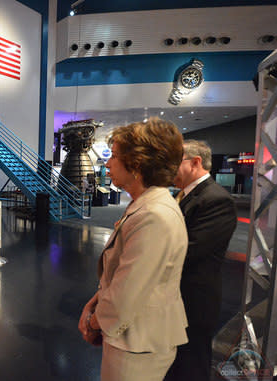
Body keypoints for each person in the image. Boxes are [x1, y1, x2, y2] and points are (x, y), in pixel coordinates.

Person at [78, 118, 189, 381]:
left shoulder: (153, 216)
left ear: (136, 164)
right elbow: (121, 276)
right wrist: (92, 304)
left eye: (114, 157)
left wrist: (93, 325)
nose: (107, 164)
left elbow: (125, 294)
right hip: (132, 338)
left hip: (137, 344)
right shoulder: (147, 206)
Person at [165, 140, 237, 381]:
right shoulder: (185, 195)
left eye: (174, 163)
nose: (169, 170)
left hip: (194, 301)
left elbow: (191, 250)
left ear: (196, 162)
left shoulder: (216, 199)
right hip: (177, 297)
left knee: (191, 365)